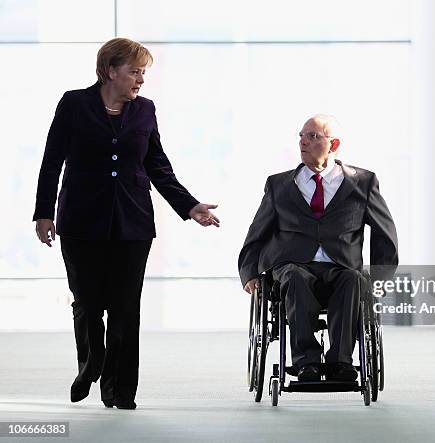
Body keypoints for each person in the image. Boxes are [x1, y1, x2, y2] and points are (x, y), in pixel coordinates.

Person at [33, 38, 220, 409]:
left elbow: (157, 165)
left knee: (125, 307)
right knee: (87, 303)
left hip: (133, 223)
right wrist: (43, 213)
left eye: (143, 72)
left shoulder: (146, 110)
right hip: (81, 221)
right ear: (110, 70)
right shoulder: (74, 104)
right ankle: (92, 365)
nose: (141, 80)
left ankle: (120, 391)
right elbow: (52, 159)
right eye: (135, 71)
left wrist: (190, 205)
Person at [238, 115, 398, 382]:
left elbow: (384, 233)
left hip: (341, 266)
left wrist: (381, 278)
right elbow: (257, 232)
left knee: (353, 279)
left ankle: (341, 362)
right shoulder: (279, 185)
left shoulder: (363, 182)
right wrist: (249, 272)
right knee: (294, 277)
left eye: (312, 136)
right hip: (293, 266)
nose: (303, 142)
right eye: (301, 136)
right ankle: (306, 362)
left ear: (333, 144)